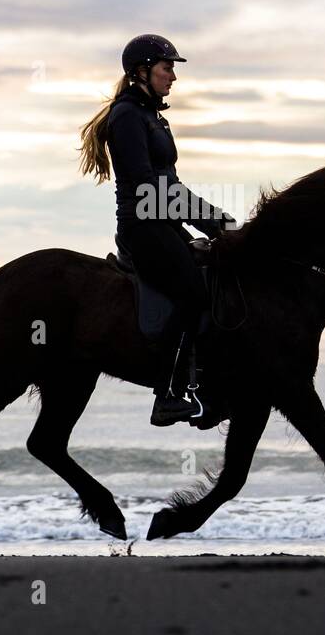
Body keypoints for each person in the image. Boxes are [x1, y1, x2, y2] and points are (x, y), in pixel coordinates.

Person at [77, 34, 236, 426]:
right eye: (168, 68)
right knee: (192, 293)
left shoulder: (152, 115)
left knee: (214, 276)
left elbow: (172, 185)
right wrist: (209, 222)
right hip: (143, 228)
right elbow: (149, 189)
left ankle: (209, 387)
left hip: (162, 223)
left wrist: (218, 221)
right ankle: (167, 394)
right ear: (142, 71)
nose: (173, 77)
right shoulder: (128, 117)